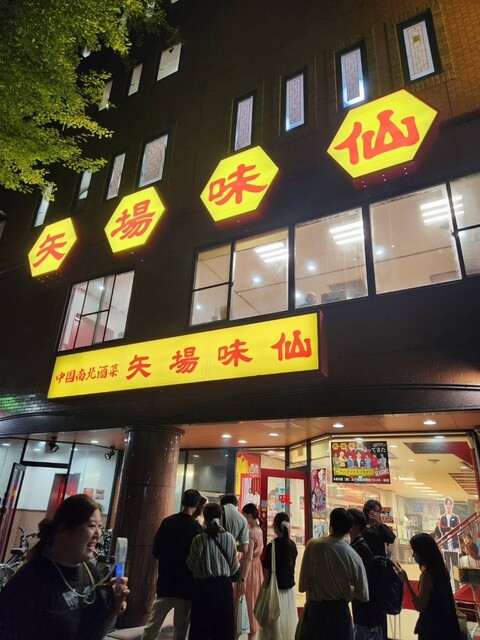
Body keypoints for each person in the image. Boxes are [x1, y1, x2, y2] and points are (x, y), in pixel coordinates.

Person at [0, 494, 129, 640]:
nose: (98, 534)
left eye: (100, 527)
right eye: (91, 526)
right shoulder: (28, 583)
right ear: (63, 529)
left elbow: (95, 633)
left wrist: (114, 606)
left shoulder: (90, 572)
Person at [141, 488, 203, 640]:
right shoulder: (197, 529)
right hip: (186, 587)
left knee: (152, 627)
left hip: (165, 584)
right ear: (197, 505)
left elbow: (156, 551)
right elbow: (198, 560)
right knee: (180, 630)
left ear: (182, 501)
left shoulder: (168, 522)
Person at [298, 507, 368, 640]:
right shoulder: (353, 555)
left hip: (315, 615)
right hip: (340, 617)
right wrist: (346, 588)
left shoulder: (313, 545)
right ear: (349, 530)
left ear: (330, 525)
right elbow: (364, 595)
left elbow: (302, 586)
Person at [187, 502, 240, 640]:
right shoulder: (229, 538)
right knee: (223, 631)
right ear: (220, 517)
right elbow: (234, 567)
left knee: (201, 631)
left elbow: (190, 564)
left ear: (205, 518)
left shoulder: (198, 539)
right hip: (224, 589)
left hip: (202, 589)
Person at [394, 533, 462, 640]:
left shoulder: (427, 576)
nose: (413, 555)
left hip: (431, 629)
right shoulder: (441, 571)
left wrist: (406, 580)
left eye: (414, 551)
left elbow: (420, 606)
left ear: (422, 553)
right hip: (446, 627)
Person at [258, 512, 298, 640]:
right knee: (288, 627)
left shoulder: (272, 546)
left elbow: (267, 571)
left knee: (273, 627)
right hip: (289, 592)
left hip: (274, 590)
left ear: (275, 527)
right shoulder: (292, 545)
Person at [348, 508, 384, 640]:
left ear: (357, 526)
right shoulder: (356, 545)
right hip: (362, 605)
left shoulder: (361, 547)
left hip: (367, 608)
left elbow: (366, 579)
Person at [362, 499, 395, 639]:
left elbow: (391, 538)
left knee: (380, 607)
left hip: (380, 571)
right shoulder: (361, 528)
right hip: (365, 570)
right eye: (375, 511)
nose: (377, 514)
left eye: (379, 512)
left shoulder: (380, 528)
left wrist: (380, 523)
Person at [235, 503, 264, 640]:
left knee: (242, 603)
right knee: (253, 604)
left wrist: (243, 579)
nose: (243, 518)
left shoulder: (251, 533)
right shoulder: (259, 530)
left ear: (250, 516)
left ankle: (237, 633)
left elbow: (248, 557)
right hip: (257, 571)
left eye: (244, 516)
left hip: (249, 571)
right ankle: (252, 633)